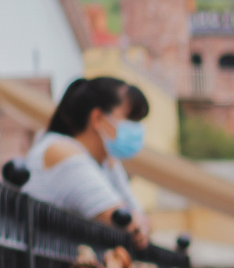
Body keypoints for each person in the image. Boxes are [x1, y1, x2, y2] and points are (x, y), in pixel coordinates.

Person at [25, 75, 153, 243]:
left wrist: (140, 222)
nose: (137, 128)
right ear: (98, 118)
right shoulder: (61, 151)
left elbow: (141, 221)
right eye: (129, 119)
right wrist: (138, 222)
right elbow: (124, 222)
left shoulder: (106, 160)